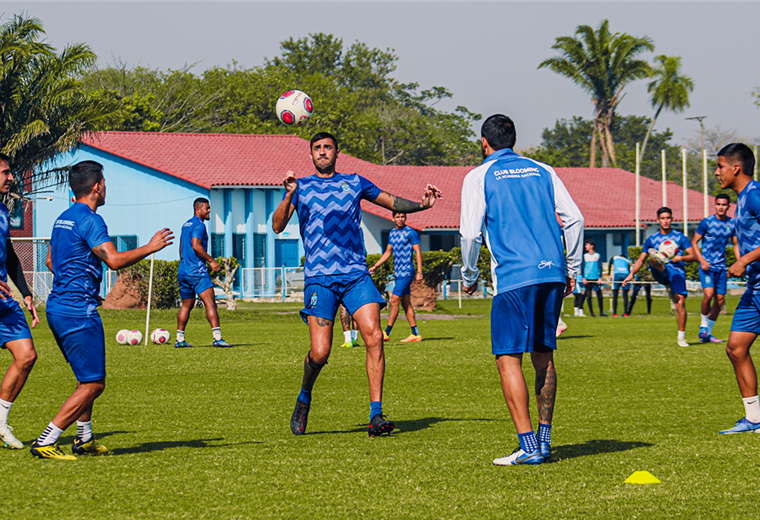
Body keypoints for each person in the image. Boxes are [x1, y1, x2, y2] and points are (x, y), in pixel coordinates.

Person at [272, 132, 440, 437]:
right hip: (319, 279)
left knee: (374, 336)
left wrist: (423, 205)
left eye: (328, 148)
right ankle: (304, 396)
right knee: (320, 352)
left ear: (337, 152)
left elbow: (391, 201)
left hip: (355, 275)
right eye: (317, 148)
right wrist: (287, 195)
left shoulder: (354, 182)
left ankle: (376, 415)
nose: (322, 152)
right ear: (311, 155)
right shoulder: (301, 187)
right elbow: (277, 225)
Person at [460, 115, 583, 466]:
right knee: (543, 355)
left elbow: (469, 235)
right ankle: (543, 441)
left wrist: (469, 276)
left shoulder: (478, 176)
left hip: (514, 276)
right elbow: (575, 219)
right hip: (552, 272)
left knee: (507, 357)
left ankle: (528, 446)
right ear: (514, 139)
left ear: (484, 142)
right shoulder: (542, 169)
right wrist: (571, 268)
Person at [31, 160, 173, 460]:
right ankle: (47, 439)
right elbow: (114, 260)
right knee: (94, 383)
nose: (106, 187)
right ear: (97, 186)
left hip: (57, 307)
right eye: (105, 183)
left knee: (87, 379)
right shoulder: (91, 220)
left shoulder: (63, 218)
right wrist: (150, 247)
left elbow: (50, 263)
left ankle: (84, 439)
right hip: (78, 311)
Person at [713, 143, 760, 433]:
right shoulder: (741, 199)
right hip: (754, 288)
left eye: (719, 166)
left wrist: (744, 258)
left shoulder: (755, 195)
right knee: (735, 348)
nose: (717, 172)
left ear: (736, 168)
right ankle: (755, 418)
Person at [0, 154, 40, 450]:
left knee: (26, 355)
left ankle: (0, 423)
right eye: (5, 172)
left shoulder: (3, 210)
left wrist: (25, 292)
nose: (11, 178)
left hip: (5, 302)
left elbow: (11, 254)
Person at [623, 207, 696, 347]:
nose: (666, 221)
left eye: (668, 218)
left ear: (672, 219)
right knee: (652, 259)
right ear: (658, 220)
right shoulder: (652, 239)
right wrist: (631, 273)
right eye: (662, 218)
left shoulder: (680, 237)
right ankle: (660, 260)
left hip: (676, 272)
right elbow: (640, 260)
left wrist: (679, 257)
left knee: (680, 302)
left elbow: (693, 256)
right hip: (659, 271)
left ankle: (681, 337)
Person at [176, 198, 230, 348]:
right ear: (198, 209)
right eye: (207, 208)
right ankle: (217, 338)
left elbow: (181, 247)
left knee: (187, 305)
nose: (209, 211)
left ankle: (180, 339)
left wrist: (184, 261)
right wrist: (211, 261)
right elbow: (196, 245)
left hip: (183, 270)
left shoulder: (185, 224)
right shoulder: (199, 225)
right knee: (210, 303)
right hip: (197, 272)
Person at [369, 212, 424, 342]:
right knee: (406, 304)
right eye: (398, 217)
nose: (400, 219)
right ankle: (415, 334)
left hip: (406, 272)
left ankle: (386, 332)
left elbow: (418, 251)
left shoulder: (410, 232)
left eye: (403, 217)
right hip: (398, 273)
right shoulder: (392, 233)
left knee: (394, 301)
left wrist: (419, 271)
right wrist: (376, 265)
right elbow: (388, 252)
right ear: (393, 218)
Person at [691, 193, 739, 343]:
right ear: (715, 205)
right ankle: (703, 326)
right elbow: (694, 242)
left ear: (728, 206)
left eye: (724, 205)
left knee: (720, 300)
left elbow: (736, 244)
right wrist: (702, 260)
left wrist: (739, 263)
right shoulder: (707, 222)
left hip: (721, 267)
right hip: (707, 266)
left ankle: (707, 335)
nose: (721, 207)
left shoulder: (732, 224)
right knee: (709, 294)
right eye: (719, 204)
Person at [582, 239, 605, 317]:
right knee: (588, 296)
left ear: (592, 246)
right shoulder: (585, 256)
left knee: (600, 296)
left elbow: (600, 267)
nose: (585, 246)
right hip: (587, 278)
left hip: (596, 278)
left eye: (587, 245)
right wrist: (583, 277)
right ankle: (592, 313)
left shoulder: (597, 255)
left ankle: (601, 312)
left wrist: (600, 277)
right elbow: (582, 267)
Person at [608, 252, 631, 317]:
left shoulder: (615, 257)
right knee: (625, 295)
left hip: (617, 274)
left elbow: (610, 264)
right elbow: (629, 270)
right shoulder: (627, 261)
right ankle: (625, 313)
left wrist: (609, 274)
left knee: (615, 294)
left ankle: (615, 313)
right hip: (625, 275)